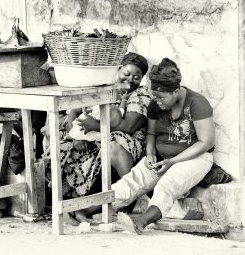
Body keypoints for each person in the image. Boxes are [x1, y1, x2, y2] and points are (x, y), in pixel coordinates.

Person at [77, 57, 216, 233]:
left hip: (196, 158)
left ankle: (140, 222)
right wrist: (150, 154)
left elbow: (207, 142)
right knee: (128, 183)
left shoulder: (197, 103)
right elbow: (151, 134)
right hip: (161, 159)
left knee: (167, 184)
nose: (156, 101)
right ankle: (84, 211)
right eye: (154, 96)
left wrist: (172, 162)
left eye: (161, 97)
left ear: (175, 91)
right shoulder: (155, 103)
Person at [41, 52, 152, 222]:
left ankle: (131, 197)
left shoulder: (140, 94)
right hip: (92, 138)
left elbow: (129, 126)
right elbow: (75, 111)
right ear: (118, 69)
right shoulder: (104, 89)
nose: (130, 80)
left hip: (126, 141)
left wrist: (94, 126)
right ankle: (68, 205)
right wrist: (77, 134)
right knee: (61, 151)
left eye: (137, 77)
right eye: (127, 74)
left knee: (112, 146)